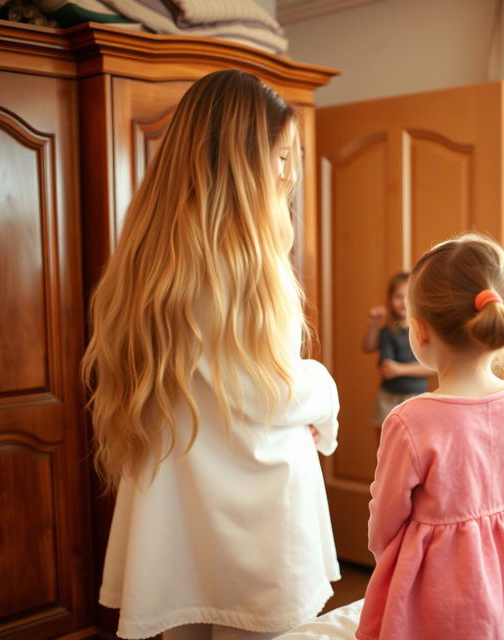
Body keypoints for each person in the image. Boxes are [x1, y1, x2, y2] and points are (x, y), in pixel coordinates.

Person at [82, 69, 341, 640]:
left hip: (176, 508)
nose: (287, 173)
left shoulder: (152, 254)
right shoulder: (248, 259)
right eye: (280, 156)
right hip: (253, 512)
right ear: (242, 159)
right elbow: (265, 392)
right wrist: (324, 390)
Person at [356, 233, 504, 640]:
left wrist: (386, 562)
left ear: (420, 332)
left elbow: (386, 517)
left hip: (439, 586)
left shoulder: (411, 421)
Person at [361, 272, 432, 430]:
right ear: (390, 299)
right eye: (399, 297)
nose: (404, 302)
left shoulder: (422, 331)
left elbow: (432, 368)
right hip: (387, 396)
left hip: (414, 397)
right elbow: (367, 346)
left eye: (408, 297)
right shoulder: (387, 330)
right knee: (384, 442)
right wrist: (374, 324)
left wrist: (400, 369)